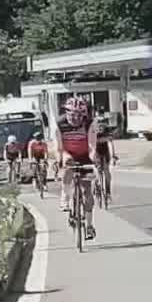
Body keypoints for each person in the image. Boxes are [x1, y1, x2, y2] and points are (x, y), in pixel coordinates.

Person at [58, 95, 98, 240]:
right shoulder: (60, 123)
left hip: (84, 154)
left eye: (79, 115)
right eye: (72, 115)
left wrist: (92, 161)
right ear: (66, 113)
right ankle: (66, 196)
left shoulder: (89, 123)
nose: (75, 119)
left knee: (87, 192)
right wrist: (62, 159)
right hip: (68, 153)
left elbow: (92, 146)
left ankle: (89, 225)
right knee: (67, 168)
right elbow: (58, 147)